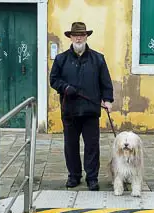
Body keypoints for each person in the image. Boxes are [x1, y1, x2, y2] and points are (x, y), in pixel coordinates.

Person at [49, 22, 114, 191]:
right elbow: (53, 80)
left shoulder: (98, 58)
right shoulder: (61, 59)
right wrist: (64, 87)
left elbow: (105, 82)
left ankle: (92, 178)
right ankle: (74, 176)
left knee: (92, 146)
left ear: (86, 37)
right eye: (75, 35)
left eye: (82, 35)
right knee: (70, 145)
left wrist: (107, 100)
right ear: (70, 37)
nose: (78, 38)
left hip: (90, 110)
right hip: (69, 111)